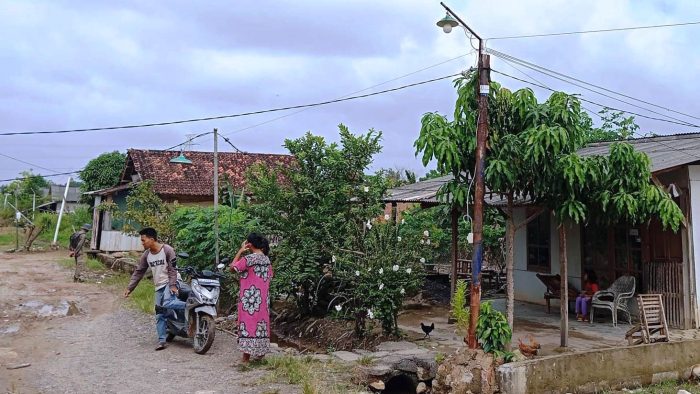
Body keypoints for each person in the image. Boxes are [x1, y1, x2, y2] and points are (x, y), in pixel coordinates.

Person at [124, 227, 186, 351]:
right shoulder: (146, 255)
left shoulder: (168, 250)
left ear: (152, 239)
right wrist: (130, 288)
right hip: (159, 286)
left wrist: (173, 285)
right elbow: (139, 272)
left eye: (143, 240)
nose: (142, 243)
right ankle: (162, 340)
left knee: (168, 303)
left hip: (171, 282)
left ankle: (190, 306)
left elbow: (173, 269)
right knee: (159, 313)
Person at [230, 233, 273, 363]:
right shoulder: (266, 260)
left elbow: (233, 268)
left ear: (249, 244)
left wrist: (240, 251)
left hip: (249, 299)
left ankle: (246, 358)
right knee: (261, 324)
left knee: (248, 325)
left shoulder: (248, 259)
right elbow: (271, 274)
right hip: (263, 300)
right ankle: (260, 355)